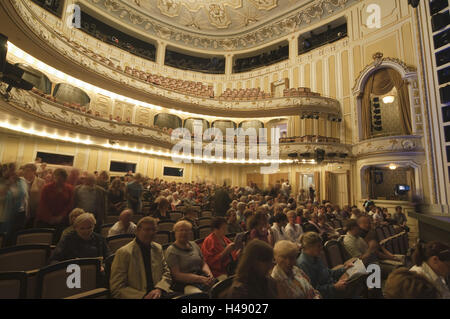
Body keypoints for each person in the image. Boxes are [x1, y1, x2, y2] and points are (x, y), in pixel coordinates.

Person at [110, 217, 174, 299]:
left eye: (153, 229)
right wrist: (143, 296)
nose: (151, 233)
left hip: (160, 293)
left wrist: (159, 288)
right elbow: (117, 287)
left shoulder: (158, 248)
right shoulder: (124, 253)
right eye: (147, 230)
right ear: (137, 231)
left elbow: (166, 272)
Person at [296, 232, 354, 299]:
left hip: (333, 288)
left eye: (321, 245)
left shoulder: (315, 257)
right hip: (326, 295)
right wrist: (334, 287)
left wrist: (345, 268)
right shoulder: (303, 263)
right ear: (309, 246)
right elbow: (314, 290)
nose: (321, 248)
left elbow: (329, 273)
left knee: (356, 281)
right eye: (318, 246)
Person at [165, 221, 216, 294]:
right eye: (181, 230)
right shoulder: (171, 250)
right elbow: (176, 275)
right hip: (184, 283)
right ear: (175, 233)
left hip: (201, 277)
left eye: (187, 230)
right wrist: (200, 279)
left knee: (220, 288)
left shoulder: (194, 244)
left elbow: (203, 263)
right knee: (200, 295)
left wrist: (209, 274)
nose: (184, 233)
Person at [35, 168, 74, 242]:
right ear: (54, 177)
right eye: (56, 177)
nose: (58, 180)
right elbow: (43, 204)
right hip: (45, 220)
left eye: (60, 178)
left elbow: (69, 205)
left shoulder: (70, 188)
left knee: (58, 241)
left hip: (62, 220)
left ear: (64, 178)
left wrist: (61, 216)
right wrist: (50, 218)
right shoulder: (46, 188)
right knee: (44, 240)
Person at [0, 163, 29, 243]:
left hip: (19, 213)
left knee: (14, 238)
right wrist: (9, 183)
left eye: (15, 169)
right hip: (4, 215)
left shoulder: (22, 181)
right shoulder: (2, 182)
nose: (14, 172)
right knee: (3, 237)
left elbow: (25, 197)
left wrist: (27, 211)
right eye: (11, 169)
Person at [22, 163, 45, 228]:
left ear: (34, 171)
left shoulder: (41, 182)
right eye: (24, 170)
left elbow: (43, 197)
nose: (25, 172)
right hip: (22, 210)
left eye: (28, 170)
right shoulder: (20, 181)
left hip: (34, 210)